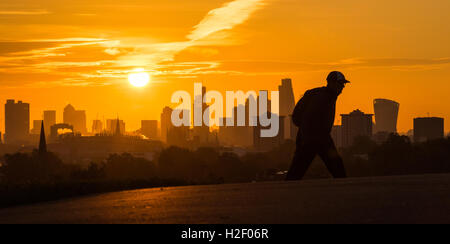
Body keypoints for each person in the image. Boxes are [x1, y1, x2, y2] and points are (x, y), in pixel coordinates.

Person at [286, 71, 349, 181]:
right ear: (332, 83)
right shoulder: (324, 97)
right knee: (335, 165)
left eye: (343, 84)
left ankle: (287, 189)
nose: (342, 87)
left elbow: (301, 117)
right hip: (315, 138)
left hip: (313, 137)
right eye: (340, 84)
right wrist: (308, 137)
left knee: (298, 169)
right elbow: (309, 117)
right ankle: (344, 188)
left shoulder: (324, 95)